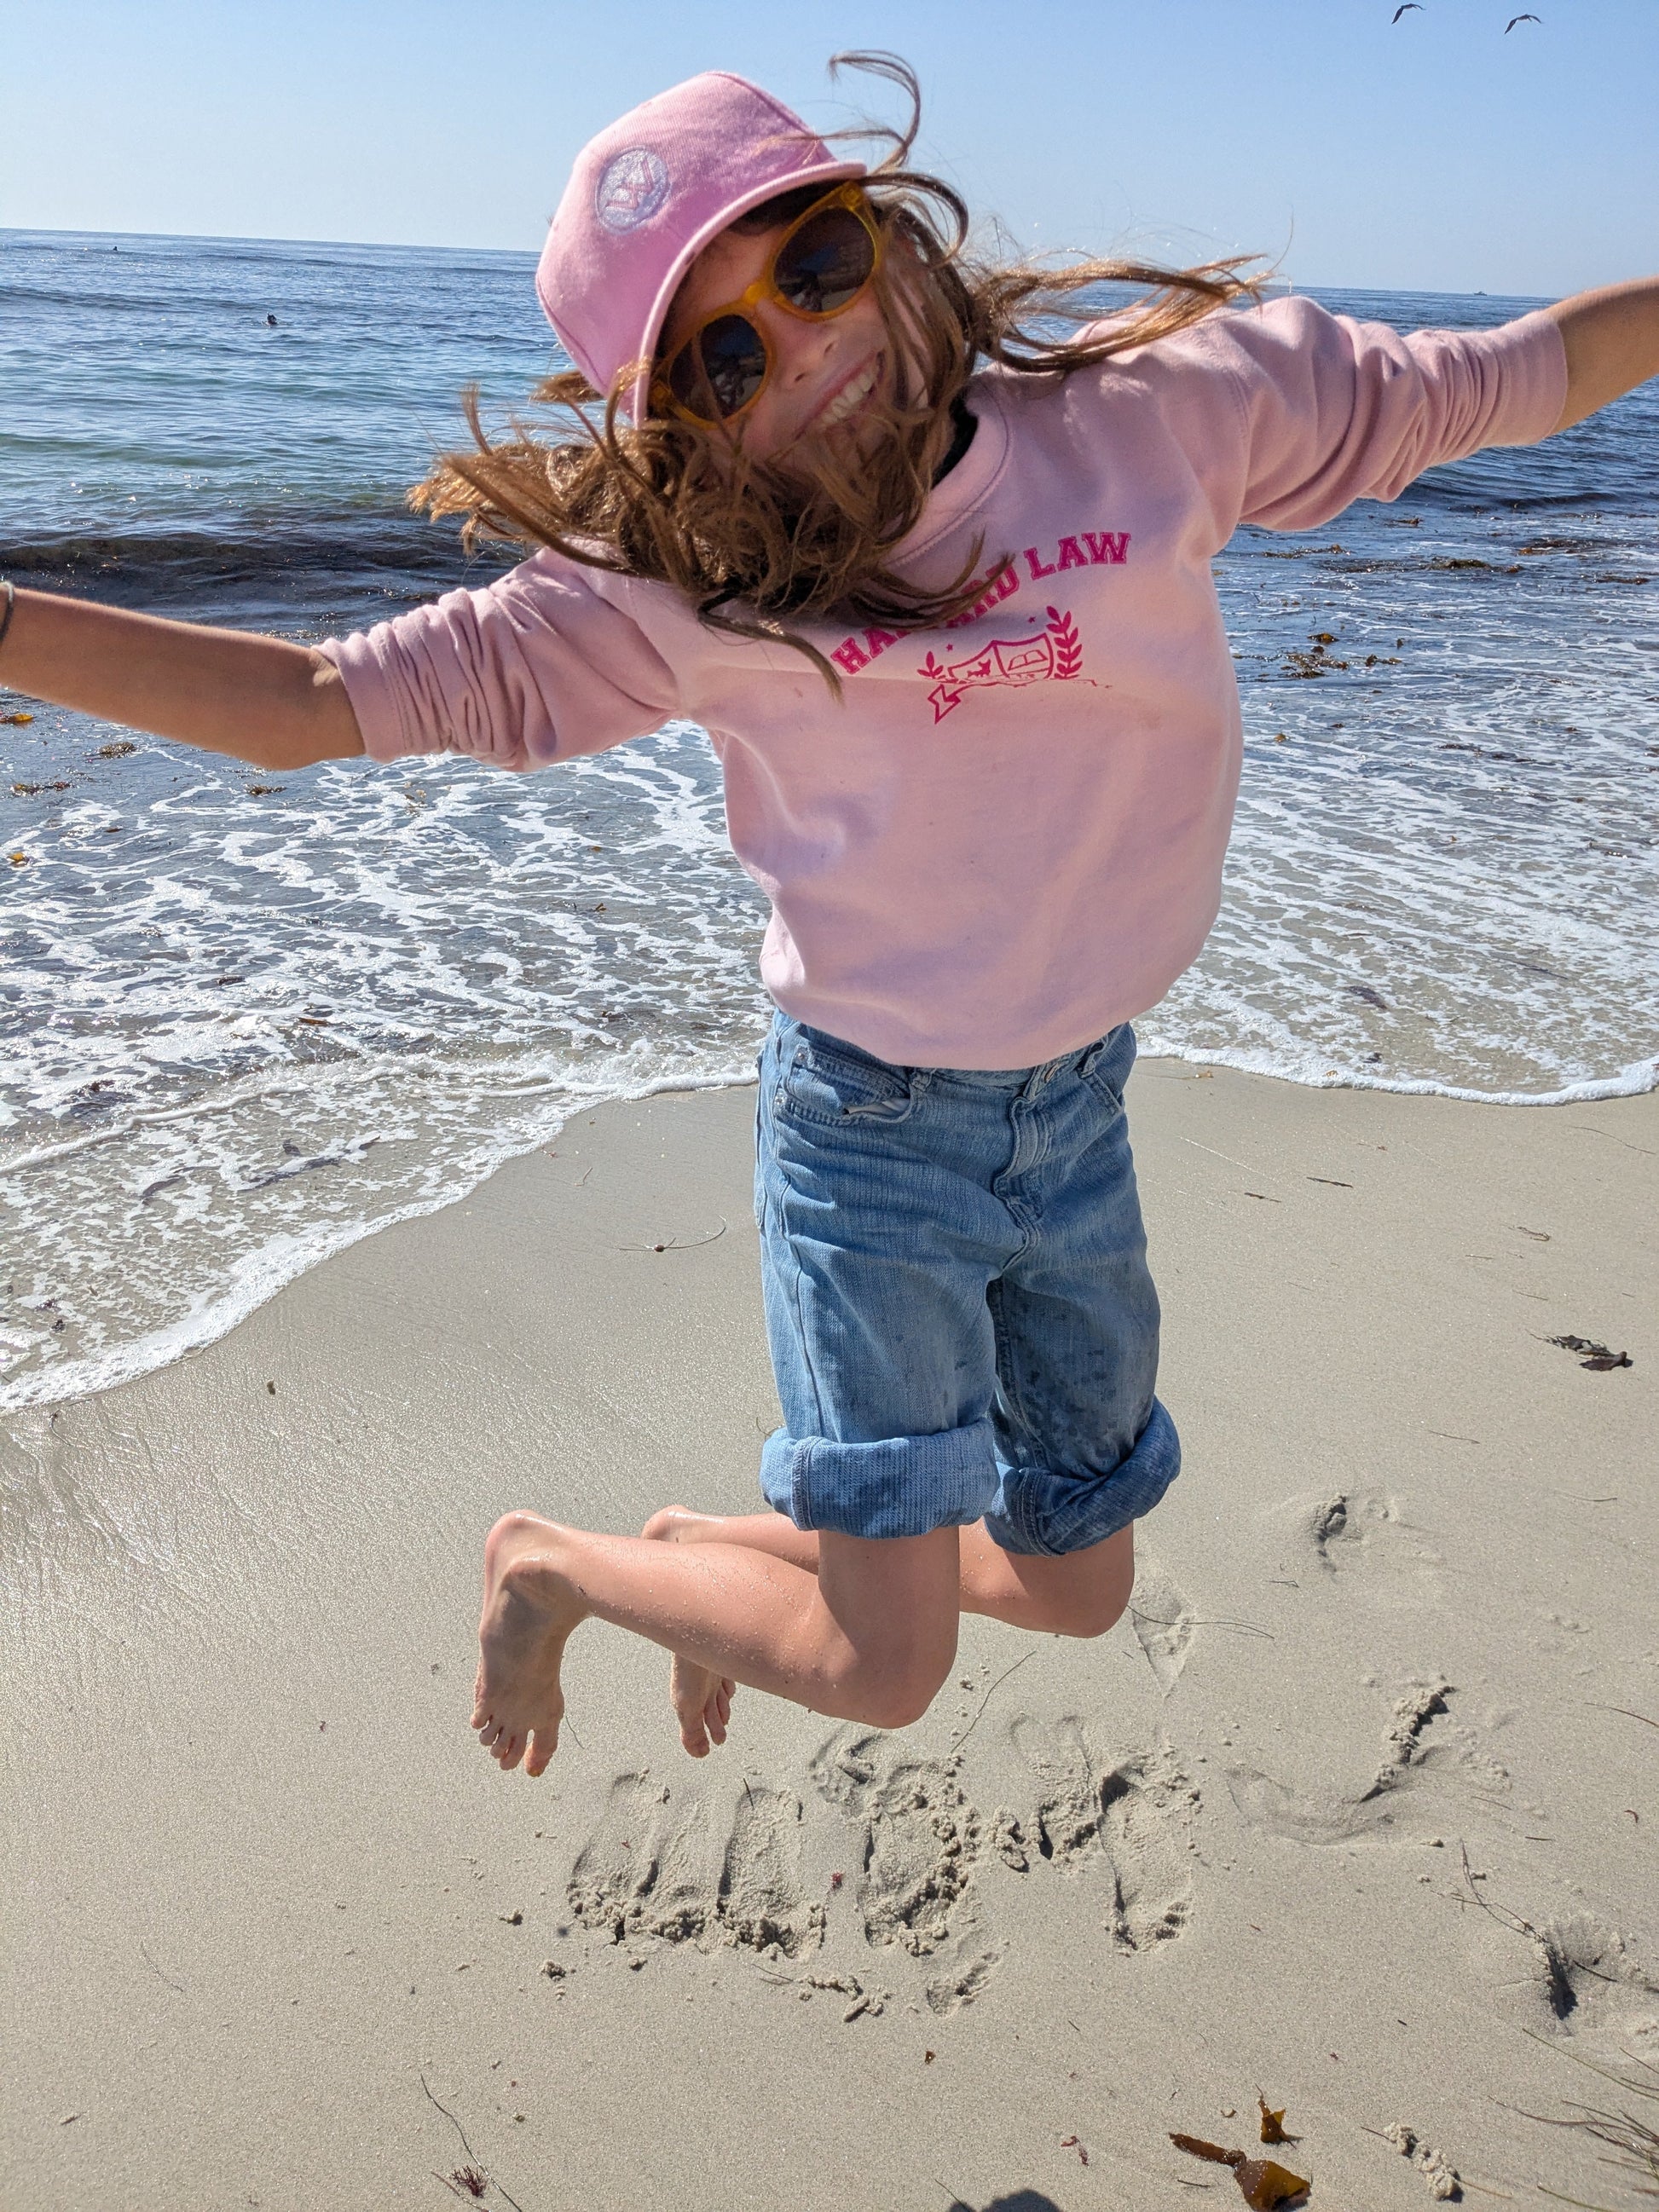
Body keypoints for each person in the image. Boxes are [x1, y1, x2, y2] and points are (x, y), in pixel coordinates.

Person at [3, 61, 1655, 1780]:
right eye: (722, 361)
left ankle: (711, 1546)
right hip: (870, 1142)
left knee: (1078, 1587)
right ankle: (552, 1566)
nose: (803, 350)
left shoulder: (1156, 415)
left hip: (1079, 1110)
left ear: (889, 235)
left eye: (811, 265)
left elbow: (1511, 379)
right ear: (682, 430)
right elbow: (308, 703)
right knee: (885, 1671)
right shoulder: (683, 597)